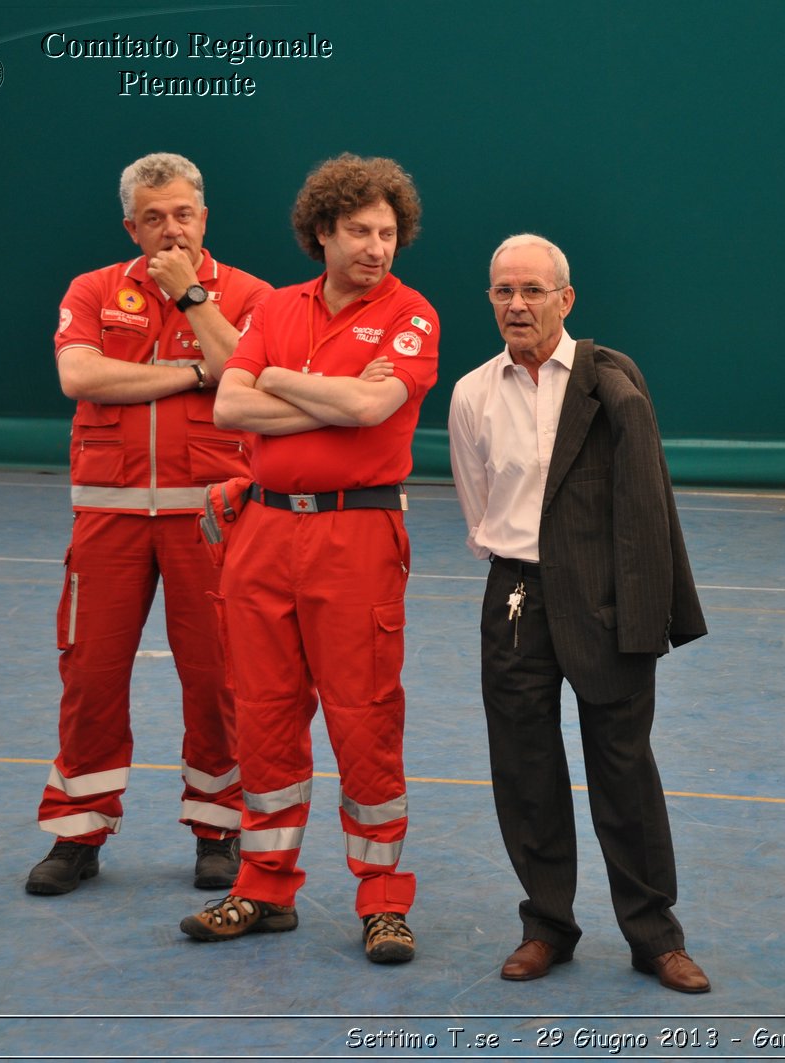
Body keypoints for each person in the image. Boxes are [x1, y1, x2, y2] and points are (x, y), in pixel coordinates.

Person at [177, 154, 438, 965]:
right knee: (262, 709)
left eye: (388, 233)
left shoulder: (413, 314)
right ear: (322, 232)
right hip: (260, 535)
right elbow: (228, 402)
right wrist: (321, 389)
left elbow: (371, 407)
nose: (376, 247)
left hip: (355, 538)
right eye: (359, 231)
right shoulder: (276, 308)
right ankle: (263, 885)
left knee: (364, 715)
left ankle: (383, 901)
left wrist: (283, 386)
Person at [447, 233, 711, 993]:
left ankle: (655, 935)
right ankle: (547, 926)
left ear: (567, 299)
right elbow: (478, 503)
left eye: (533, 290)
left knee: (624, 768)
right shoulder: (471, 392)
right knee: (524, 767)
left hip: (606, 595)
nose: (517, 305)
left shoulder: (611, 383)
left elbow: (646, 502)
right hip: (518, 597)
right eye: (503, 291)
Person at [29, 152, 270, 896]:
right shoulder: (94, 289)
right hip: (109, 517)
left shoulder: (252, 296)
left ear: (206, 217)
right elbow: (81, 376)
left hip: (212, 520)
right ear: (131, 225)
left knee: (221, 677)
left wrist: (194, 298)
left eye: (183, 214)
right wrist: (191, 373)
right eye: (154, 217)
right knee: (91, 673)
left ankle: (218, 827)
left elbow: (246, 374)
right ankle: (78, 831)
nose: (170, 230)